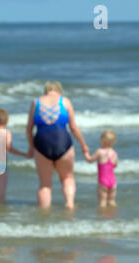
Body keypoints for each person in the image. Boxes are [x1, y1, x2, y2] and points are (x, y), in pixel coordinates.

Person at [26, 81, 88, 210]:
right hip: (63, 142)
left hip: (42, 143)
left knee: (45, 185)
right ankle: (70, 206)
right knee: (67, 178)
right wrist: (84, 145)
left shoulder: (36, 102)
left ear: (46, 90)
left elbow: (29, 129)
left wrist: (32, 146)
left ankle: (44, 215)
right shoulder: (65, 101)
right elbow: (74, 128)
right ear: (59, 90)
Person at [0, 109, 27, 204]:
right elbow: (9, 147)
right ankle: (1, 216)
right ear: (7, 121)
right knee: (1, 194)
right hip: (1, 164)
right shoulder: (6, 133)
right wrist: (23, 154)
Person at [84, 130, 118, 207]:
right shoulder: (114, 153)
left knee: (102, 202)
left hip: (103, 181)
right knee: (112, 201)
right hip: (113, 181)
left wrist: (86, 153)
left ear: (103, 141)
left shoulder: (100, 152)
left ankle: (102, 218)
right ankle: (114, 216)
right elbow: (115, 165)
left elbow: (90, 160)